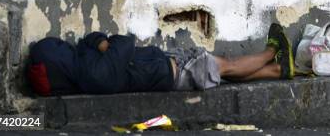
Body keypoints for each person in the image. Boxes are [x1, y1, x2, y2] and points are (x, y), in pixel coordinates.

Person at [26, 23, 293, 96]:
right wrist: (103, 44)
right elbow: (125, 42)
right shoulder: (94, 74)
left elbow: (90, 38)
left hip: (164, 66)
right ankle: (273, 52)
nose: (64, 44)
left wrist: (97, 42)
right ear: (58, 61)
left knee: (224, 74)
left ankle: (278, 70)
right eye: (59, 47)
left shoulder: (83, 69)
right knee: (226, 65)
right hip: (173, 72)